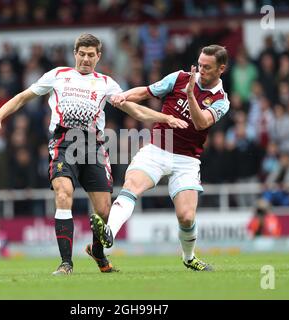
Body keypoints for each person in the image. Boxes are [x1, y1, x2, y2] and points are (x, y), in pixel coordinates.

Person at [0, 33, 187, 276]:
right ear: (75, 54)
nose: (85, 59)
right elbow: (23, 97)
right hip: (63, 143)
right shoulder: (58, 75)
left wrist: (164, 117)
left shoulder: (106, 83)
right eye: (81, 54)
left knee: (103, 211)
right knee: (63, 193)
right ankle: (66, 263)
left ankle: (98, 252)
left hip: (93, 146)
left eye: (91, 55)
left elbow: (133, 109)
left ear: (98, 56)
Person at [91, 44, 230, 271]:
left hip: (187, 159)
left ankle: (189, 257)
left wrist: (190, 96)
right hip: (158, 147)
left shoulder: (222, 100)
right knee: (132, 185)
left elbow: (201, 123)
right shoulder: (179, 77)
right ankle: (109, 233)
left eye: (207, 67)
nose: (200, 70)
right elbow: (146, 91)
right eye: (199, 64)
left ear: (220, 69)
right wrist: (123, 96)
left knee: (186, 217)